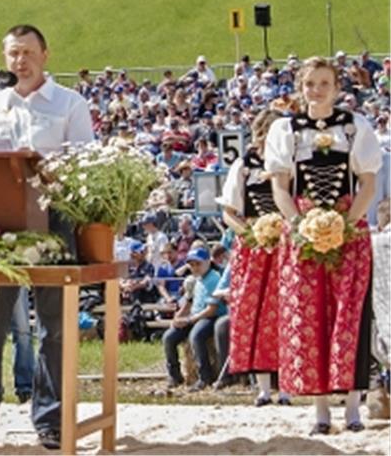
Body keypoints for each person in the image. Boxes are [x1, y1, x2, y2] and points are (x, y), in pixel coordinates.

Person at [0, 24, 94, 450]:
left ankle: (50, 419)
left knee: (54, 324)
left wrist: (46, 172)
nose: (21, 61)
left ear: (45, 55)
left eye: (28, 52)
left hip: (54, 222)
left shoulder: (70, 103)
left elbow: (85, 163)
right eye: (14, 53)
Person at [265, 57, 381, 434]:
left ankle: (352, 409)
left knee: (349, 314)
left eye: (324, 83)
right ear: (301, 88)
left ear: (337, 88)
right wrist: (301, 226)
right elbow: (280, 188)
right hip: (303, 229)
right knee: (309, 316)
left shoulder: (354, 126)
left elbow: (367, 184)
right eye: (310, 83)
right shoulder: (286, 130)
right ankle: (320, 412)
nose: (316, 90)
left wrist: (344, 225)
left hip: (349, 228)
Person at [216, 109, 286, 405]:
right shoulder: (244, 166)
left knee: (286, 312)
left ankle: (286, 386)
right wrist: (252, 232)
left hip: (285, 244)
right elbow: (229, 212)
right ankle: (263, 388)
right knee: (253, 313)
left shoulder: (290, 164)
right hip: (254, 247)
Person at [161, 246, 225, 390]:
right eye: (192, 264)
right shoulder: (196, 279)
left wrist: (190, 320)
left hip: (211, 317)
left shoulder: (214, 278)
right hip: (196, 315)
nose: (195, 267)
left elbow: (211, 309)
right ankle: (174, 375)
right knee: (168, 337)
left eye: (198, 264)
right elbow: (189, 302)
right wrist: (178, 318)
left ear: (208, 262)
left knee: (196, 336)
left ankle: (205, 377)